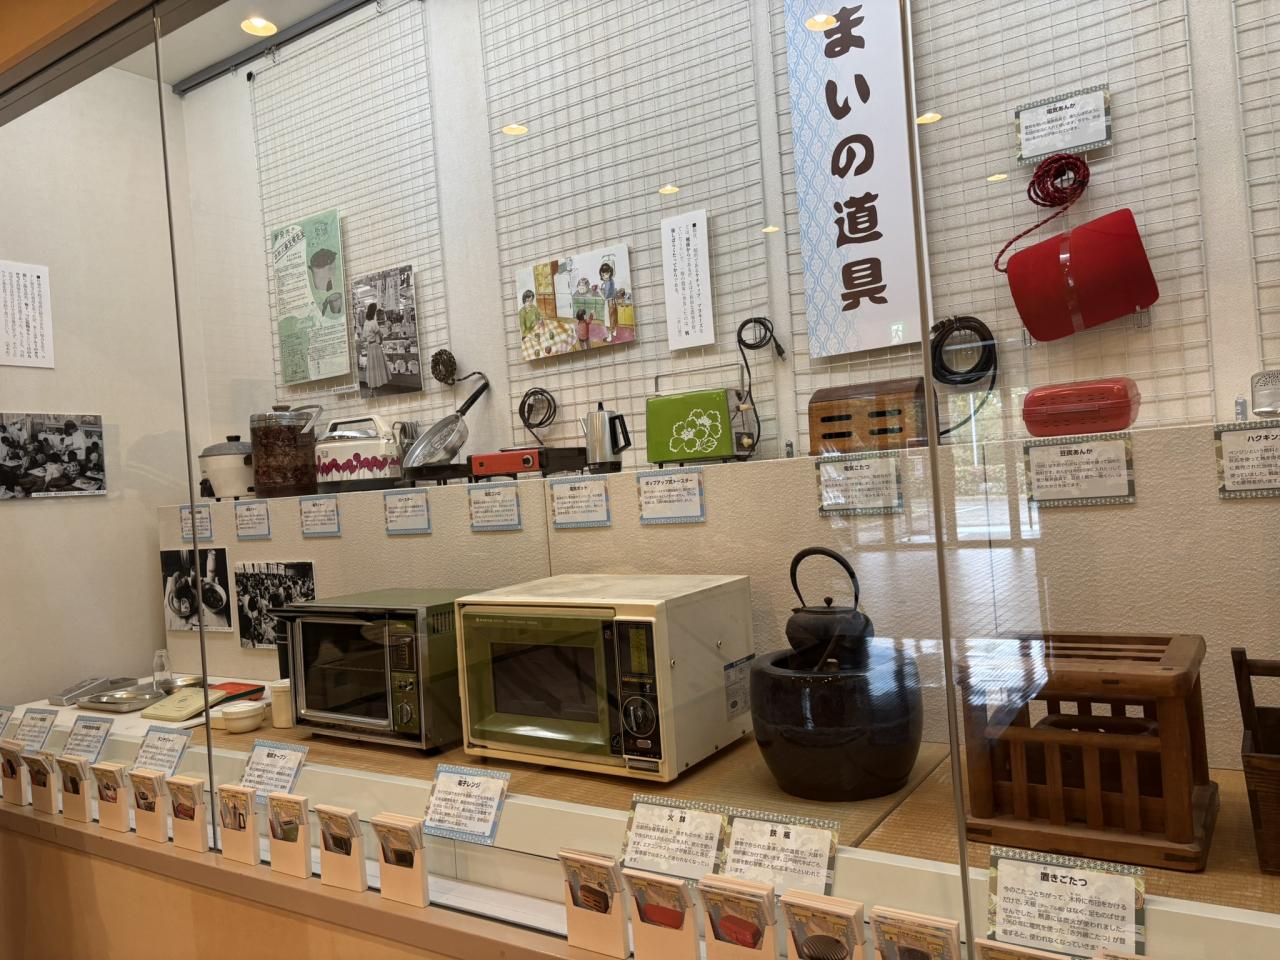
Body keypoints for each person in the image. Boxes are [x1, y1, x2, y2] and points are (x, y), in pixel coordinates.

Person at [362, 301, 391, 391]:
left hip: (370, 347)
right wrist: (381, 341)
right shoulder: (373, 322)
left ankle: (372, 385)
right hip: (375, 345)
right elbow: (380, 334)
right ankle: (379, 382)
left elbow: (364, 336)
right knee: (379, 365)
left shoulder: (366, 323)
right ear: (373, 312)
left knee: (372, 367)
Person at [599, 262, 618, 342]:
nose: (604, 276)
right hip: (613, 302)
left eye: (605, 274)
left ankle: (609, 337)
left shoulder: (607, 283)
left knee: (608, 321)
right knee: (614, 318)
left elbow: (605, 298)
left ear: (609, 273)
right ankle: (614, 331)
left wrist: (599, 291)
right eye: (602, 275)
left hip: (608, 303)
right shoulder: (611, 280)